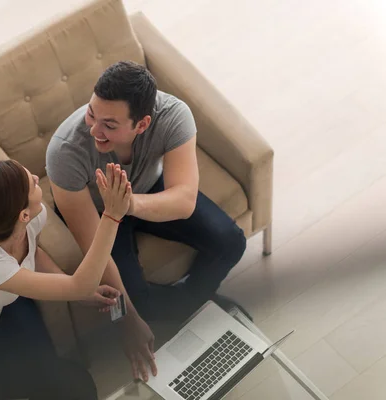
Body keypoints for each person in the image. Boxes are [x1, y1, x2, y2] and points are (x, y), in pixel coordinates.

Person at [46, 61, 247, 382]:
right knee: (140, 305)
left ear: (142, 124)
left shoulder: (174, 115)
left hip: (145, 195)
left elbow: (183, 201)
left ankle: (191, 304)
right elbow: (95, 254)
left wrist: (128, 204)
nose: (95, 130)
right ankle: (195, 306)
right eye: (91, 114)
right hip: (99, 214)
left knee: (232, 242)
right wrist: (127, 321)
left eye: (110, 125)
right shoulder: (65, 152)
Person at [0, 159, 132, 400]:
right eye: (31, 181)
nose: (34, 176)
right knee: (73, 386)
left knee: (58, 377)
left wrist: (74, 291)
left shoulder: (29, 218)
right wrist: (112, 216)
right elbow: (81, 285)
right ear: (22, 214)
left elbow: (33, 252)